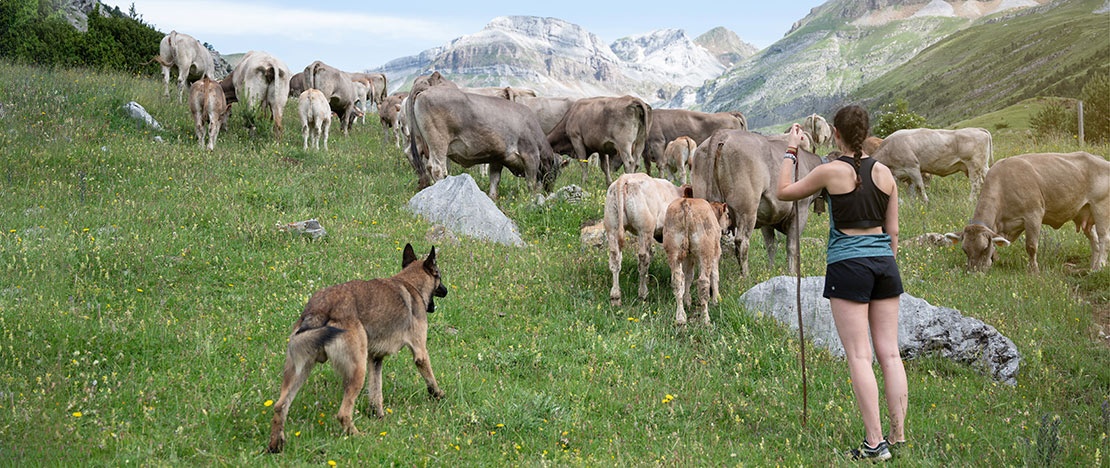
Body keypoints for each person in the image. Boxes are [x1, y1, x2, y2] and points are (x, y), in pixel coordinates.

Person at [776, 105, 908, 462]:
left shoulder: (829, 171)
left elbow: (784, 191)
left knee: (859, 355)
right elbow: (893, 231)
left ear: (836, 133)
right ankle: (897, 437)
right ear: (865, 134)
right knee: (890, 353)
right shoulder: (884, 173)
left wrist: (791, 149)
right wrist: (885, 264)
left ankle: (874, 443)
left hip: (848, 267)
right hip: (885, 266)